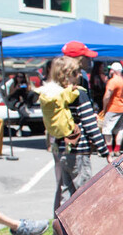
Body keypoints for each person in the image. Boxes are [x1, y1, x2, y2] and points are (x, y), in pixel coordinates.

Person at [41, 57, 108, 214]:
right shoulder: (78, 94)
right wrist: (104, 150)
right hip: (79, 149)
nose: (79, 75)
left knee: (67, 194)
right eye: (77, 72)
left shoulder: (55, 95)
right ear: (68, 74)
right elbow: (90, 125)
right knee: (84, 194)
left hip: (62, 149)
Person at [100, 61, 123, 155]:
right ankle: (117, 149)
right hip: (122, 108)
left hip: (113, 108)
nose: (110, 71)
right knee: (119, 129)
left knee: (107, 129)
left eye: (111, 69)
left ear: (115, 71)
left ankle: (109, 150)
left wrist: (104, 108)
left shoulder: (112, 81)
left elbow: (107, 96)